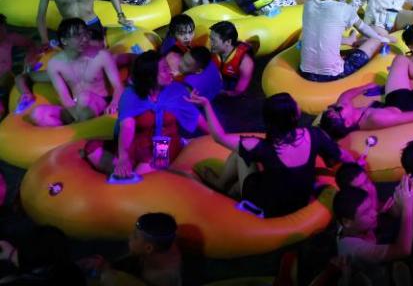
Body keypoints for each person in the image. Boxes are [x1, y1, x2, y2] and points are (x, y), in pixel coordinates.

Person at [187, 91, 346, 216]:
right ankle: (229, 188)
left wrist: (206, 105)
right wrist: (358, 165)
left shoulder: (261, 146)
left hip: (268, 205)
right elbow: (342, 156)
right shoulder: (314, 135)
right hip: (298, 202)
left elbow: (219, 137)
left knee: (241, 155)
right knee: (246, 156)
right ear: (295, 116)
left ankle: (220, 185)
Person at [84, 52, 203, 179]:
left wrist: (216, 135)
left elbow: (196, 117)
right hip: (139, 140)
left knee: (141, 174)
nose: (170, 72)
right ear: (150, 76)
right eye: (164, 69)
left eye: (168, 68)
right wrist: (123, 157)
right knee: (93, 150)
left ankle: (136, 175)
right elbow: (127, 126)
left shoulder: (176, 91)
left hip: (164, 141)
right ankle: (125, 174)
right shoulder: (131, 95)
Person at [300, 0, 390, 82]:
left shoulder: (309, 4)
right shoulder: (345, 9)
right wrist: (383, 39)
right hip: (332, 74)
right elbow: (364, 29)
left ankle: (351, 40)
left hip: (306, 72)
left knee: (324, 32)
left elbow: (333, 13)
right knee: (379, 33)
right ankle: (355, 41)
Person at [27, 18, 122, 126]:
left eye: (85, 34)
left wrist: (114, 103)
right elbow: (65, 96)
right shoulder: (55, 64)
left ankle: (77, 131)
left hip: (100, 103)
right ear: (64, 41)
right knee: (38, 113)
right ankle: (74, 133)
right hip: (75, 107)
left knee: (84, 97)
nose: (84, 39)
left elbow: (118, 86)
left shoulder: (101, 56)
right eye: (78, 36)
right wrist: (77, 116)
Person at [333, 177, 413, 286]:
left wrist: (405, 191)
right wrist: (408, 206)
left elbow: (389, 214)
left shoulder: (350, 224)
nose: (374, 213)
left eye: (371, 208)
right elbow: (404, 250)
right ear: (347, 222)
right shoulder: (354, 248)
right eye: (366, 212)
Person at [97, 213, 183, 286]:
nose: (129, 237)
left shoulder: (175, 277)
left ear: (148, 248)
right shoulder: (163, 244)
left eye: (135, 236)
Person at [207, 21, 255, 96]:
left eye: (214, 41)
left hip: (230, 88)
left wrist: (217, 92)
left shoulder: (245, 63)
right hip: (220, 78)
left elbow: (238, 91)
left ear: (228, 42)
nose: (210, 43)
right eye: (210, 39)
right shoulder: (214, 51)